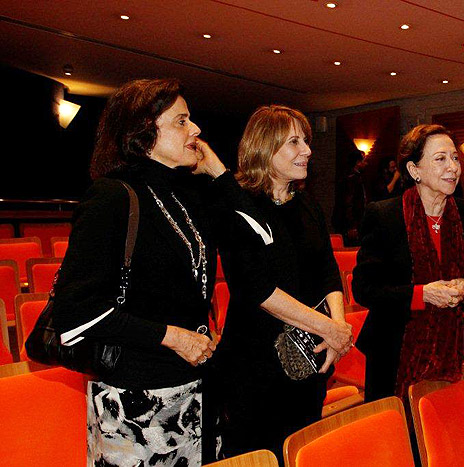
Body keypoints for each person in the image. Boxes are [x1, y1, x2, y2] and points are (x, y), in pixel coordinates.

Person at [52, 79, 219, 466]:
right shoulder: (111, 196)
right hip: (134, 403)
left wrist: (218, 171)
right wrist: (171, 337)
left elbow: (253, 233)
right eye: (181, 121)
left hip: (193, 393)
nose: (195, 130)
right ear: (144, 134)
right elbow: (76, 312)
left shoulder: (186, 195)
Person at [213, 105, 351, 460]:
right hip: (256, 367)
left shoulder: (308, 205)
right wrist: (328, 328)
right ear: (264, 147)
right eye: (294, 141)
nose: (307, 149)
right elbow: (256, 288)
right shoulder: (240, 208)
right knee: (259, 454)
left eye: (305, 140)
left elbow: (327, 270)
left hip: (308, 361)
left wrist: (336, 326)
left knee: (302, 451)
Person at [353, 124, 464, 401]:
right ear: (414, 171)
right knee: (398, 438)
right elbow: (364, 290)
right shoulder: (384, 215)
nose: (452, 167)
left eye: (454, 158)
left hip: (449, 349)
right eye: (440, 159)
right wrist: (422, 294)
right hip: (392, 350)